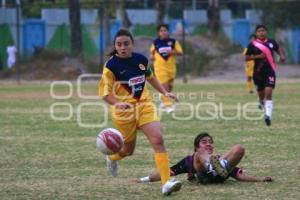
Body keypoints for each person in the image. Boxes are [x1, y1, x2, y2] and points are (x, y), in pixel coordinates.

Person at [98, 29, 181, 195]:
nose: (123, 47)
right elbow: (104, 94)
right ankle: (112, 157)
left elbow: (150, 77)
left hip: (144, 106)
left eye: (126, 44)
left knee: (158, 139)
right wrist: (117, 103)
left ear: (132, 44)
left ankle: (166, 183)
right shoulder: (110, 66)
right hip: (124, 113)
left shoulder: (141, 60)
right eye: (119, 44)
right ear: (115, 46)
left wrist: (165, 92)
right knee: (127, 151)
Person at [137, 133, 273, 184]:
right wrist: (143, 180)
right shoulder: (190, 160)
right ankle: (211, 167)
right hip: (204, 175)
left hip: (221, 173)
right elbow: (167, 172)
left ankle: (217, 167)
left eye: (210, 141)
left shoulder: (217, 157)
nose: (208, 143)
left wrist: (260, 179)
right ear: (196, 146)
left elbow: (239, 175)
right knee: (201, 154)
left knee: (239, 148)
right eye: (204, 141)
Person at [245, 25, 285, 126]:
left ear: (266, 32)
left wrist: (282, 55)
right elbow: (246, 57)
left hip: (270, 71)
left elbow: (278, 48)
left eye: (263, 31)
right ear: (256, 33)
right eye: (259, 31)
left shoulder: (272, 42)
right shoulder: (252, 44)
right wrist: (258, 56)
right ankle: (260, 100)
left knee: (269, 93)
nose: (261, 33)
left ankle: (268, 116)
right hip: (258, 73)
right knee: (261, 92)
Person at [150, 24, 183, 113]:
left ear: (168, 31)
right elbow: (152, 54)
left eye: (165, 30)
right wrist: (152, 58)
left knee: (169, 87)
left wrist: (172, 51)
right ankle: (168, 106)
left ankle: (163, 100)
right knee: (164, 86)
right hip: (160, 67)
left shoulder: (173, 42)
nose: (163, 32)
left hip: (171, 68)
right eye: (161, 31)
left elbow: (180, 52)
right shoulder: (155, 42)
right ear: (158, 32)